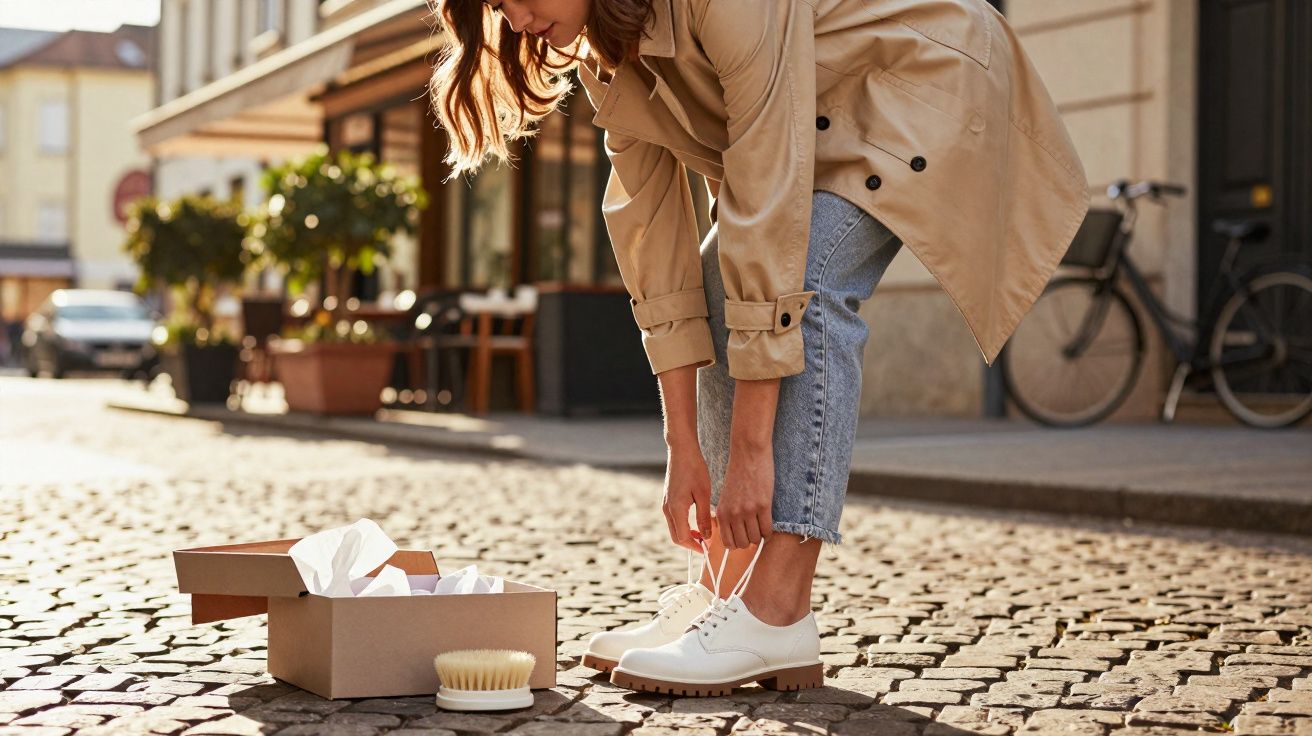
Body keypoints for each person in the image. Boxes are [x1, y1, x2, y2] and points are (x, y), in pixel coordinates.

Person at [430, 0, 1089, 695]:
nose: (516, 18)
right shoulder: (605, 48)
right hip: (821, 116)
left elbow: (768, 203)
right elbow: (654, 245)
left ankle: (777, 612)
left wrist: (750, 454)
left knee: (807, 283)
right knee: (724, 272)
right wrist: (682, 447)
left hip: (921, 79)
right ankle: (725, 593)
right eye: (498, 6)